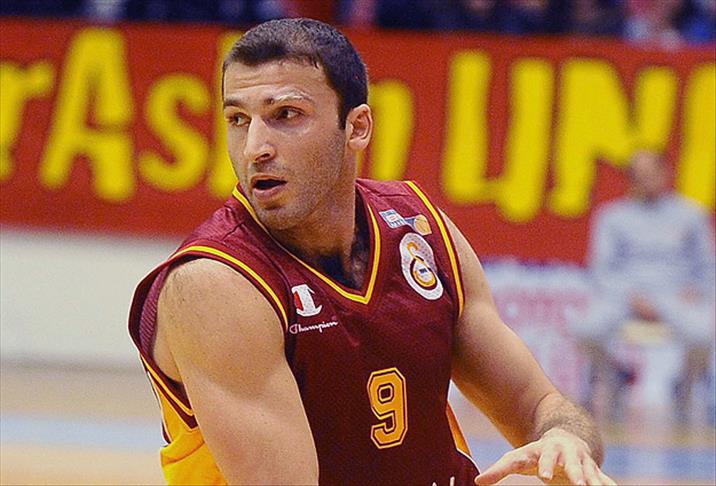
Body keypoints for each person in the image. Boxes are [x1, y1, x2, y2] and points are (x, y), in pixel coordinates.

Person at [129, 18, 615, 485]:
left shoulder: (420, 228)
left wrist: (564, 439)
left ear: (357, 128)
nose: (255, 147)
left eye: (286, 115)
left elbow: (538, 405)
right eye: (238, 119)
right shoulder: (215, 285)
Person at [574, 150, 715, 421]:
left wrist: (696, 288)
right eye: (640, 176)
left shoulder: (691, 215)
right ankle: (613, 378)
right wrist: (630, 295)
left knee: (702, 334)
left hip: (675, 295)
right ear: (631, 180)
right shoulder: (612, 217)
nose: (647, 181)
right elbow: (602, 268)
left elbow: (707, 265)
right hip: (625, 295)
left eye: (652, 174)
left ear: (666, 174)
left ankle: (684, 387)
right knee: (586, 329)